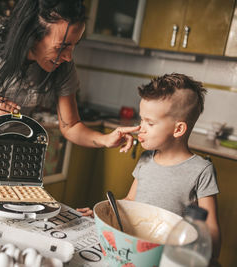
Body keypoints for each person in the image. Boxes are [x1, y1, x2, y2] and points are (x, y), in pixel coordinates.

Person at [0, 0, 139, 205]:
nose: (69, 57)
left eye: (73, 46)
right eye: (62, 47)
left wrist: (106, 140)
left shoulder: (62, 66)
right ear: (32, 34)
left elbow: (71, 126)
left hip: (11, 155)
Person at [77, 73, 221, 260]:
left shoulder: (201, 170)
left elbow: (210, 228)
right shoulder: (146, 158)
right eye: (141, 119)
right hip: (137, 250)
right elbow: (130, 200)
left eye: (150, 123)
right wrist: (103, 215)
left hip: (168, 256)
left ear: (178, 129)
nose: (140, 128)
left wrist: (209, 259)